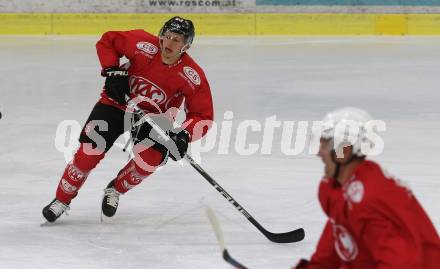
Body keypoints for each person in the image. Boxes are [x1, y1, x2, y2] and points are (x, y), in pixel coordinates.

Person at [42, 16, 214, 223]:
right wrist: (112, 70)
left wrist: (185, 134)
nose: (168, 43)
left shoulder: (191, 74)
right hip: (116, 104)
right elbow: (108, 41)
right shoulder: (142, 43)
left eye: (176, 40)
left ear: (186, 46)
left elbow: (202, 115)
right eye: (166, 36)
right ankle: (61, 200)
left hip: (155, 118)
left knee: (150, 160)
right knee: (88, 153)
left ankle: (115, 189)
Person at [293, 107, 440, 269]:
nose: (319, 153)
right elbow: (339, 241)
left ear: (344, 151)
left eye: (325, 145)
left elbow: (401, 264)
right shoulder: (345, 190)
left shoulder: (368, 200)